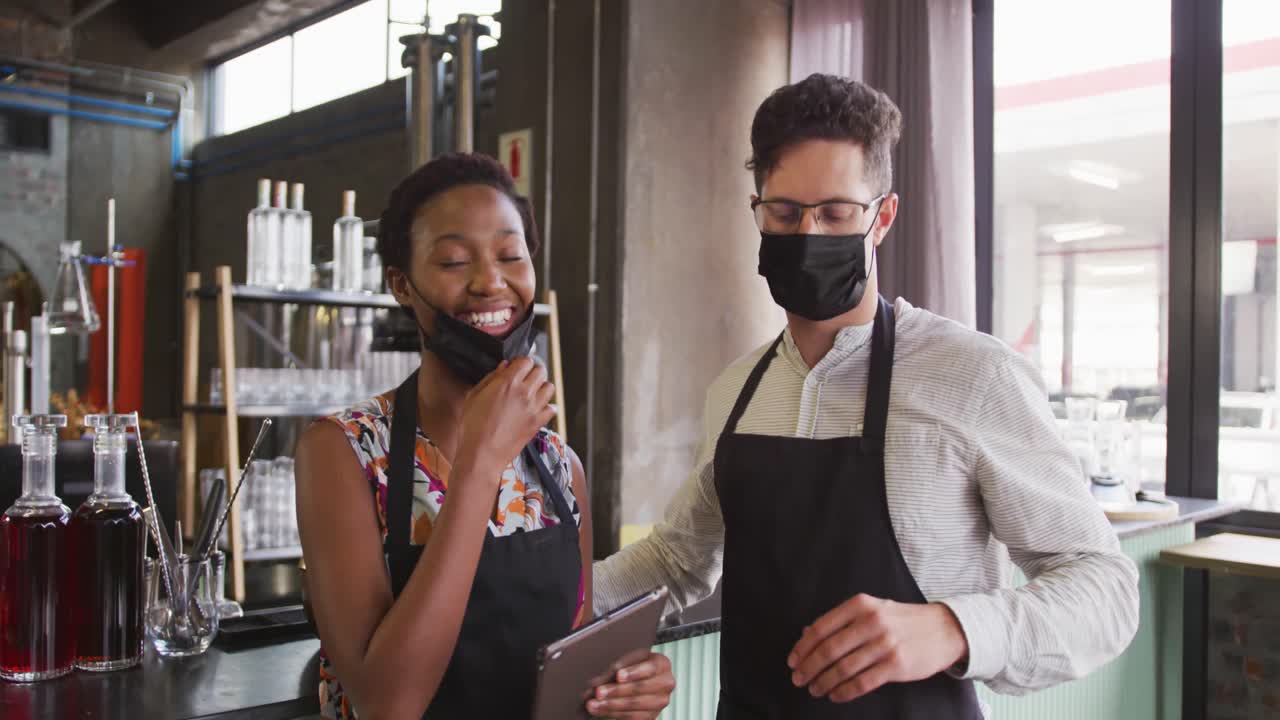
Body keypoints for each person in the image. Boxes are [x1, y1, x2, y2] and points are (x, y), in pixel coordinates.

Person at [592, 74, 1140, 718]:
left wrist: (953, 628)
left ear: (881, 217)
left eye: (835, 213)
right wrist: (537, 594)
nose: (809, 234)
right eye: (786, 213)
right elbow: (679, 558)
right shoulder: (736, 390)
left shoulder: (973, 375)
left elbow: (1105, 591)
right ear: (758, 211)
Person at [296, 153, 675, 720]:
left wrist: (621, 688)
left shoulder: (559, 467)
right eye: (452, 260)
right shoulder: (343, 452)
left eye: (510, 255)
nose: (490, 282)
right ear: (402, 284)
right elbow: (386, 704)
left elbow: (569, 664)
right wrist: (479, 463)